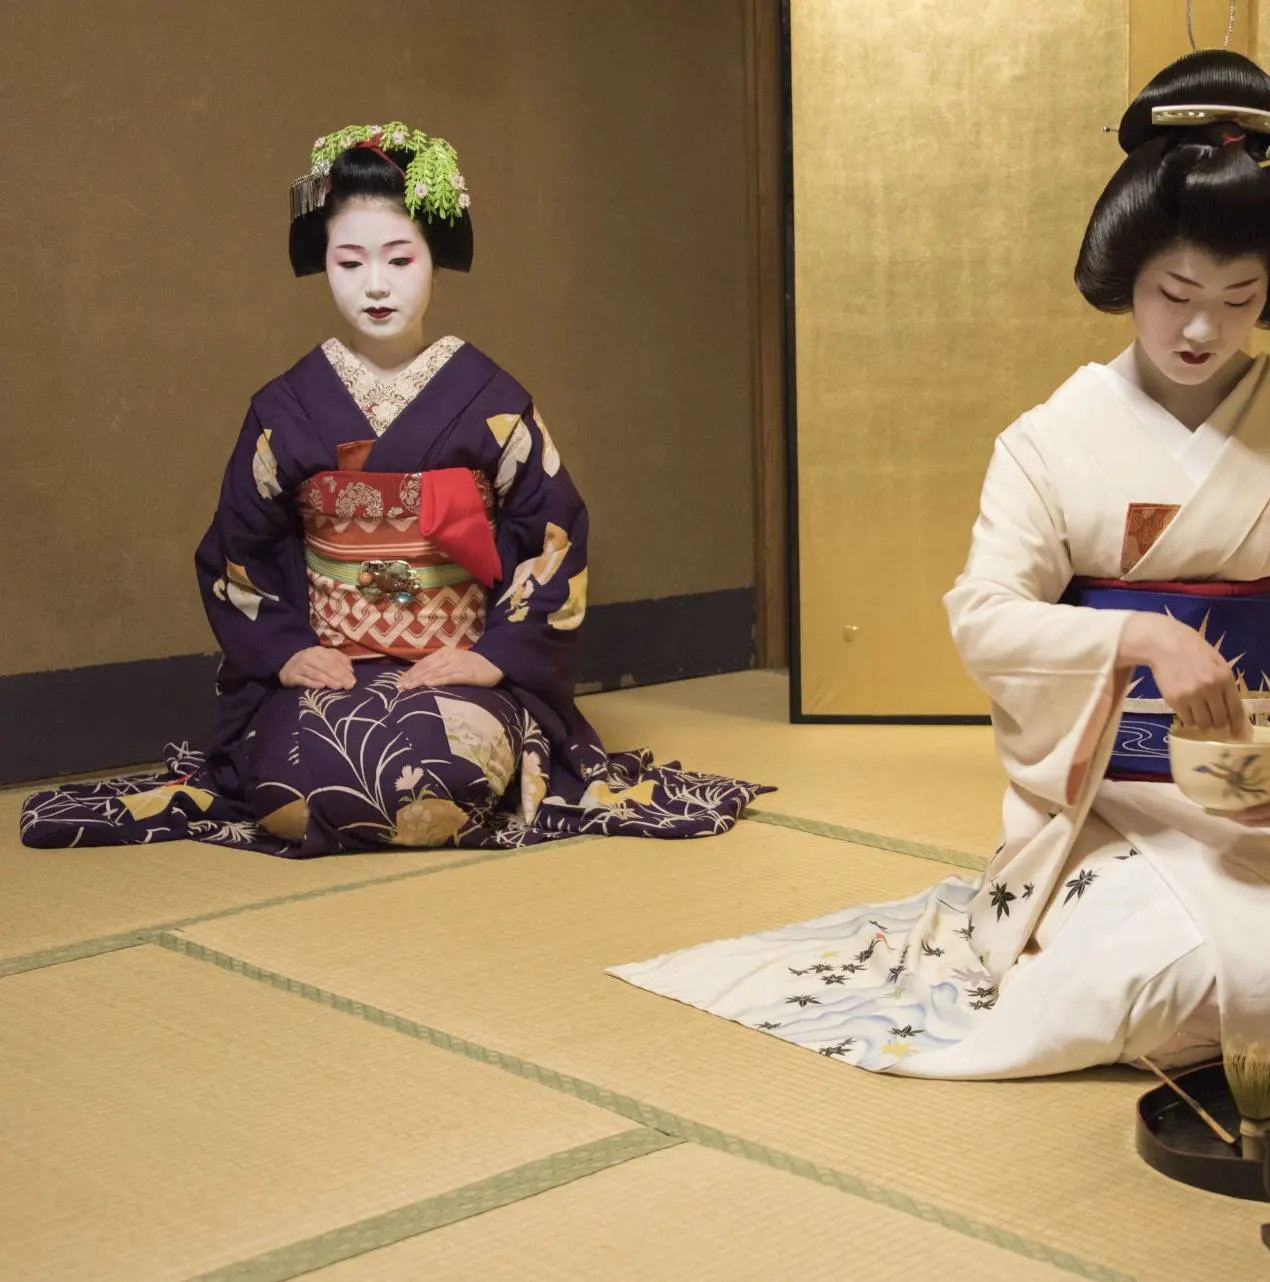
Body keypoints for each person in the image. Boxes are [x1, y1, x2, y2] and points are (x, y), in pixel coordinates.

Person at [610, 54, 1270, 1076]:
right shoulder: (1049, 441)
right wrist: (1137, 636)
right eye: (1173, 292)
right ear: (1125, 278)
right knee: (1141, 978)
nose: (1200, 328)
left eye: (1238, 299)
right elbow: (985, 614)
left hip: (1263, 793)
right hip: (1104, 795)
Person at [21, 122, 767, 856]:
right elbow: (235, 548)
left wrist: (494, 655)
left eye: (399, 259)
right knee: (293, 783)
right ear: (324, 265)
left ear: (435, 261)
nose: (375, 285)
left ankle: (473, 737)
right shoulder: (285, 406)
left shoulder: (489, 396)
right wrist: (286, 652)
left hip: (455, 663)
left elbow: (554, 531)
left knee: (441, 774)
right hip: (331, 663)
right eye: (349, 262)